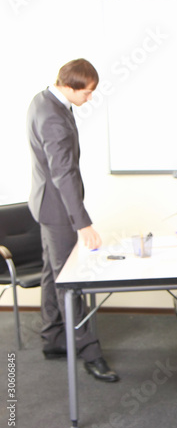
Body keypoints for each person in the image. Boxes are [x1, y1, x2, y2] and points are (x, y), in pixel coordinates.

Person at [27, 58, 119, 382]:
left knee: (52, 273)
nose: (89, 98)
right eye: (87, 92)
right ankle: (90, 353)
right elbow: (63, 172)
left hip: (45, 205)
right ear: (69, 85)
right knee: (69, 279)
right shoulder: (53, 116)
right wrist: (82, 222)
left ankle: (53, 338)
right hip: (57, 210)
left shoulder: (43, 100)